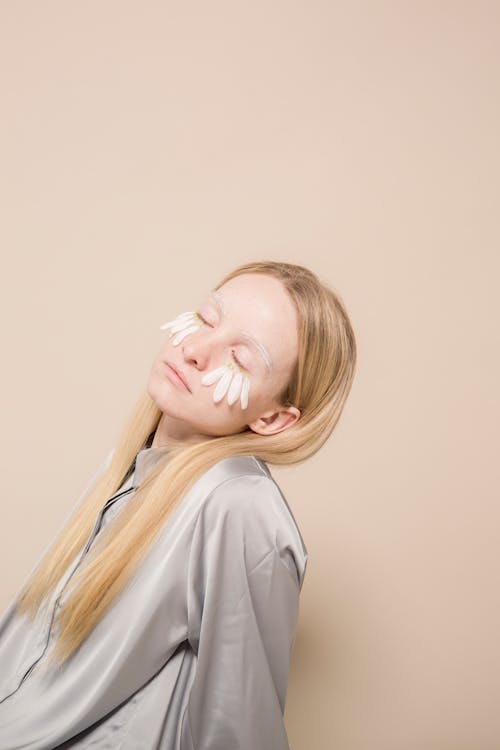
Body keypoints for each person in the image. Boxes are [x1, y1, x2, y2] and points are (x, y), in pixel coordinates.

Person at [0, 260, 357, 749]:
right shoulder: (134, 461)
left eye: (239, 359)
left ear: (273, 418)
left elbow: (239, 732)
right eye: (208, 318)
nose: (193, 350)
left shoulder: (238, 506)